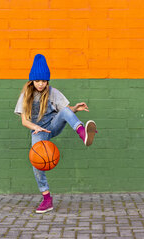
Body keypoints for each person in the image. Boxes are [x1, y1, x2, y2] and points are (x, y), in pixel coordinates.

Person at [14, 54, 97, 213]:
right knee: (37, 163)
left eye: (44, 81)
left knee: (66, 110)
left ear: (47, 81)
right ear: (32, 80)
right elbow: (24, 121)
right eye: (38, 81)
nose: (41, 84)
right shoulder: (26, 95)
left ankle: (84, 134)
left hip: (52, 125)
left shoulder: (52, 92)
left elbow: (63, 112)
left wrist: (75, 109)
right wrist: (35, 127)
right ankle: (47, 199)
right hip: (38, 131)